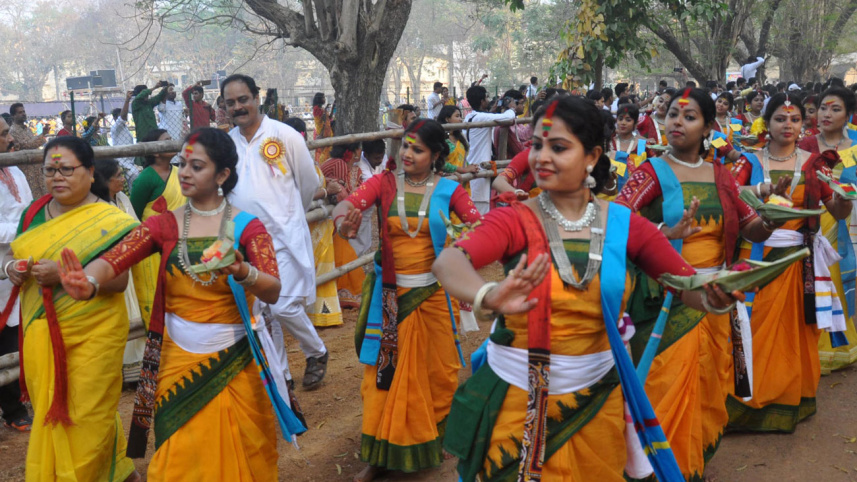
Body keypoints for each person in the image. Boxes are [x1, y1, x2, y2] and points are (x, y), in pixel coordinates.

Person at [434, 96, 742, 481]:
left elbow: (688, 288)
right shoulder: (514, 220)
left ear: (593, 156)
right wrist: (487, 295)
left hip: (597, 405)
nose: (541, 158)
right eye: (536, 145)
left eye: (559, 147)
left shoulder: (625, 225)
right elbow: (449, 261)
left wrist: (717, 294)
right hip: (518, 402)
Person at [58, 128, 293, 480]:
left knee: (242, 449)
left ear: (223, 175)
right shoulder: (164, 225)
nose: (183, 172)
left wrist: (243, 270)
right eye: (182, 163)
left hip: (235, 358)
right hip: (177, 361)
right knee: (180, 453)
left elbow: (273, 289)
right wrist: (89, 280)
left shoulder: (247, 227)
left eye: (196, 166)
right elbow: (118, 257)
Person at [615, 88, 777, 479]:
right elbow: (615, 221)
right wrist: (664, 230)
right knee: (665, 382)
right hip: (667, 299)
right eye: (672, 114)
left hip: (716, 298)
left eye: (689, 117)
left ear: (707, 127)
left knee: (707, 380)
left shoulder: (721, 176)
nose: (676, 123)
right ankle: (659, 469)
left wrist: (772, 215)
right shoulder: (649, 172)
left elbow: (752, 229)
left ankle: (689, 464)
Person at [331, 119, 481, 481]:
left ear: (436, 156)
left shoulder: (450, 190)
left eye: (417, 149)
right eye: (405, 147)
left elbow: (478, 228)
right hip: (391, 299)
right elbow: (348, 205)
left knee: (439, 372)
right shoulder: (383, 184)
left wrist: (467, 239)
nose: (408, 154)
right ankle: (378, 455)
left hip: (431, 296)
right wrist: (342, 223)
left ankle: (429, 438)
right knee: (383, 376)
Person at [3, 136, 139, 481]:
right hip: (42, 335)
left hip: (96, 334)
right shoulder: (33, 213)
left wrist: (62, 276)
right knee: (55, 412)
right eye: (50, 170)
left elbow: (119, 283)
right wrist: (12, 271)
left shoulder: (110, 219)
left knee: (88, 416)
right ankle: (118, 473)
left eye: (67, 169)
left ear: (91, 173)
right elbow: (13, 257)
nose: (57, 177)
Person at [729, 93, 853, 432]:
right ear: (767, 123)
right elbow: (728, 194)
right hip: (753, 257)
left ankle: (787, 399)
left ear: (803, 124)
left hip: (799, 261)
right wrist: (759, 190)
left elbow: (837, 210)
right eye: (781, 119)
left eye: (795, 119)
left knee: (792, 331)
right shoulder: (747, 161)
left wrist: (845, 200)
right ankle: (744, 402)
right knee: (750, 327)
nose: (788, 125)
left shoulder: (815, 164)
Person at [222, 74, 328, 390]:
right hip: (244, 241)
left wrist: (290, 215)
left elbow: (309, 184)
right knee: (261, 313)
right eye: (231, 103)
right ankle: (281, 374)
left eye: (243, 99)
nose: (238, 107)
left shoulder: (285, 136)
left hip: (283, 237)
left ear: (258, 98)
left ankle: (316, 351)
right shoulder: (226, 144)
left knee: (282, 305)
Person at [286, 117, 345, 328]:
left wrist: (328, 186)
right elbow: (296, 195)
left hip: (320, 221)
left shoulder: (304, 158)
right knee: (312, 268)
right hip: (307, 223)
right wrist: (326, 191)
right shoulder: (288, 161)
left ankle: (324, 314)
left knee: (322, 268)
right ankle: (313, 315)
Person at [93, 159, 148, 384]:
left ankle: (138, 368)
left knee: (135, 309)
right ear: (105, 181)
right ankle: (122, 371)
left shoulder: (123, 198)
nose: (123, 179)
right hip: (111, 266)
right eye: (117, 176)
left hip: (130, 261)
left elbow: (135, 225)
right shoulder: (97, 205)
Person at [0, 116, 33, 432]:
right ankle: (12, 409)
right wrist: (21, 230)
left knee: (21, 334)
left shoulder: (15, 168)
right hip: (1, 267)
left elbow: (29, 208)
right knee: (4, 340)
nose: (10, 139)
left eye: (7, 132)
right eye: (3, 134)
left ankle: (20, 399)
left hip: (21, 263)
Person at [321, 141, 366, 308]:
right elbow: (342, 191)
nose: (361, 151)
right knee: (343, 249)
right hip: (331, 214)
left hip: (330, 213)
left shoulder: (340, 163)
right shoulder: (340, 164)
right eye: (359, 148)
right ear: (352, 151)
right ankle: (346, 291)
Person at [463, 85, 518, 213]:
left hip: (474, 162)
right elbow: (508, 117)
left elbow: (488, 117)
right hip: (480, 166)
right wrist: (511, 108)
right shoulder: (481, 118)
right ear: (482, 101)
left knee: (479, 202)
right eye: (486, 98)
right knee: (480, 206)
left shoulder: (470, 117)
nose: (488, 100)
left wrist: (493, 111)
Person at [129, 129, 185, 220]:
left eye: (171, 139)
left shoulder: (180, 171)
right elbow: (134, 215)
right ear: (155, 152)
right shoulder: (145, 178)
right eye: (167, 141)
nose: (173, 143)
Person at [351, 139, 386, 257]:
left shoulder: (382, 158)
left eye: (381, 157)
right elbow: (370, 183)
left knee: (364, 241)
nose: (380, 161)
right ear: (365, 155)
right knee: (354, 241)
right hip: (360, 207)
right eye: (377, 158)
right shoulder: (360, 164)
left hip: (369, 207)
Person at [9, 103, 48, 198]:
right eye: (20, 112)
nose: (23, 114)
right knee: (33, 197)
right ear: (13, 116)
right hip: (27, 171)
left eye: (24, 111)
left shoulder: (27, 129)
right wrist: (43, 135)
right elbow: (29, 145)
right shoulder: (13, 131)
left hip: (37, 169)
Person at [111, 91, 143, 189]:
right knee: (136, 177)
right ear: (116, 117)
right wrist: (127, 100)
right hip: (122, 162)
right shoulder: (116, 127)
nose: (125, 117)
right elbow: (123, 117)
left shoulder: (124, 128)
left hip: (130, 162)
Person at [313, 92, 334, 164]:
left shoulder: (321, 109)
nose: (324, 99)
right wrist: (325, 111)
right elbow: (322, 120)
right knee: (324, 151)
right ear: (319, 99)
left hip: (327, 132)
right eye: (323, 98)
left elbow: (328, 118)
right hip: (323, 133)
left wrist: (332, 107)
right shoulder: (317, 109)